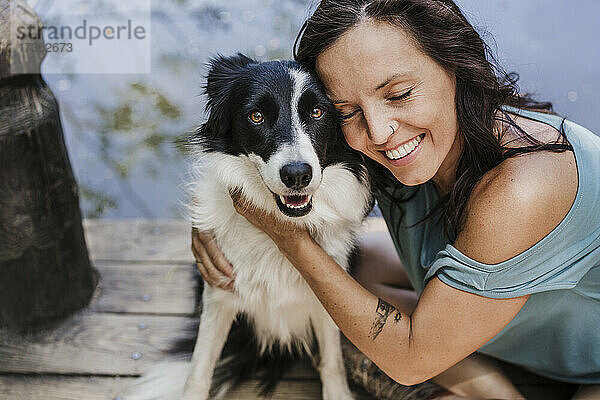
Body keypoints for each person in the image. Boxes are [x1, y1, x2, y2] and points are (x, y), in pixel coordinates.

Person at [191, 0, 600, 398]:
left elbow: (408, 362)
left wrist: (287, 236)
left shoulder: (521, 189)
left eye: (400, 93)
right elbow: (264, 109)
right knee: (354, 267)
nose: (380, 131)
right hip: (534, 349)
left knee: (361, 318)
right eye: (347, 109)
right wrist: (219, 221)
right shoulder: (412, 147)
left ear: (455, 63)